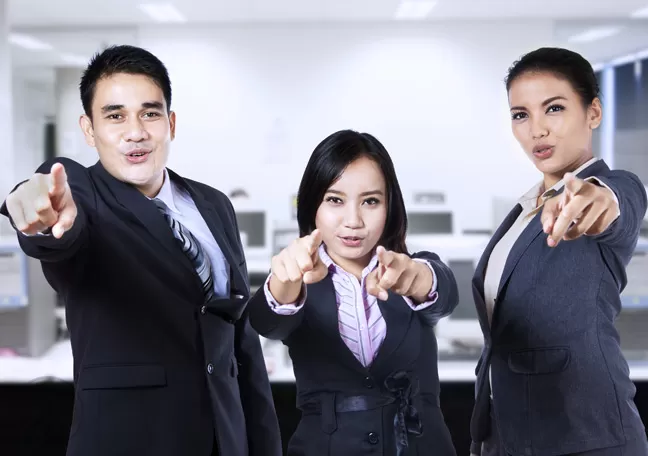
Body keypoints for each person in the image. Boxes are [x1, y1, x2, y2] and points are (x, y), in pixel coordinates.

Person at [0, 45, 281, 456]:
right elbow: (59, 223)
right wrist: (38, 214)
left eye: (149, 113)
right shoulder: (83, 195)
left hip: (227, 439)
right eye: (114, 116)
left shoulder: (214, 204)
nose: (136, 132)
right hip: (129, 441)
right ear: (89, 130)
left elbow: (243, 342)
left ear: (170, 123)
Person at [469, 47, 648, 456]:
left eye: (553, 108)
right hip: (507, 435)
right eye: (521, 114)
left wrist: (597, 201)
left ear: (594, 113)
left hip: (583, 436)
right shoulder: (524, 210)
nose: (537, 130)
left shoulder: (611, 186)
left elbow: (616, 203)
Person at [247, 129, 459, 456]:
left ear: (390, 207)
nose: (353, 221)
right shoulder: (299, 280)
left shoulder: (410, 268)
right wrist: (286, 281)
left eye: (370, 201)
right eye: (335, 200)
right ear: (312, 206)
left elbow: (444, 293)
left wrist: (414, 278)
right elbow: (267, 320)